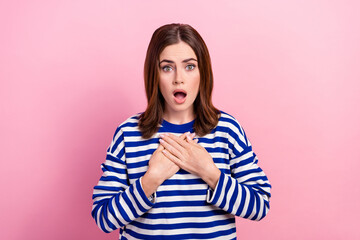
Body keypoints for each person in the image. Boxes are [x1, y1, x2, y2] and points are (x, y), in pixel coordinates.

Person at [91, 23, 271, 240]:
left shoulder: (227, 130)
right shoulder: (128, 133)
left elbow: (260, 205)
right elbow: (103, 218)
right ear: (154, 75)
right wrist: (151, 179)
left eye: (189, 66)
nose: (178, 78)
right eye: (167, 67)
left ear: (202, 72)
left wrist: (209, 172)